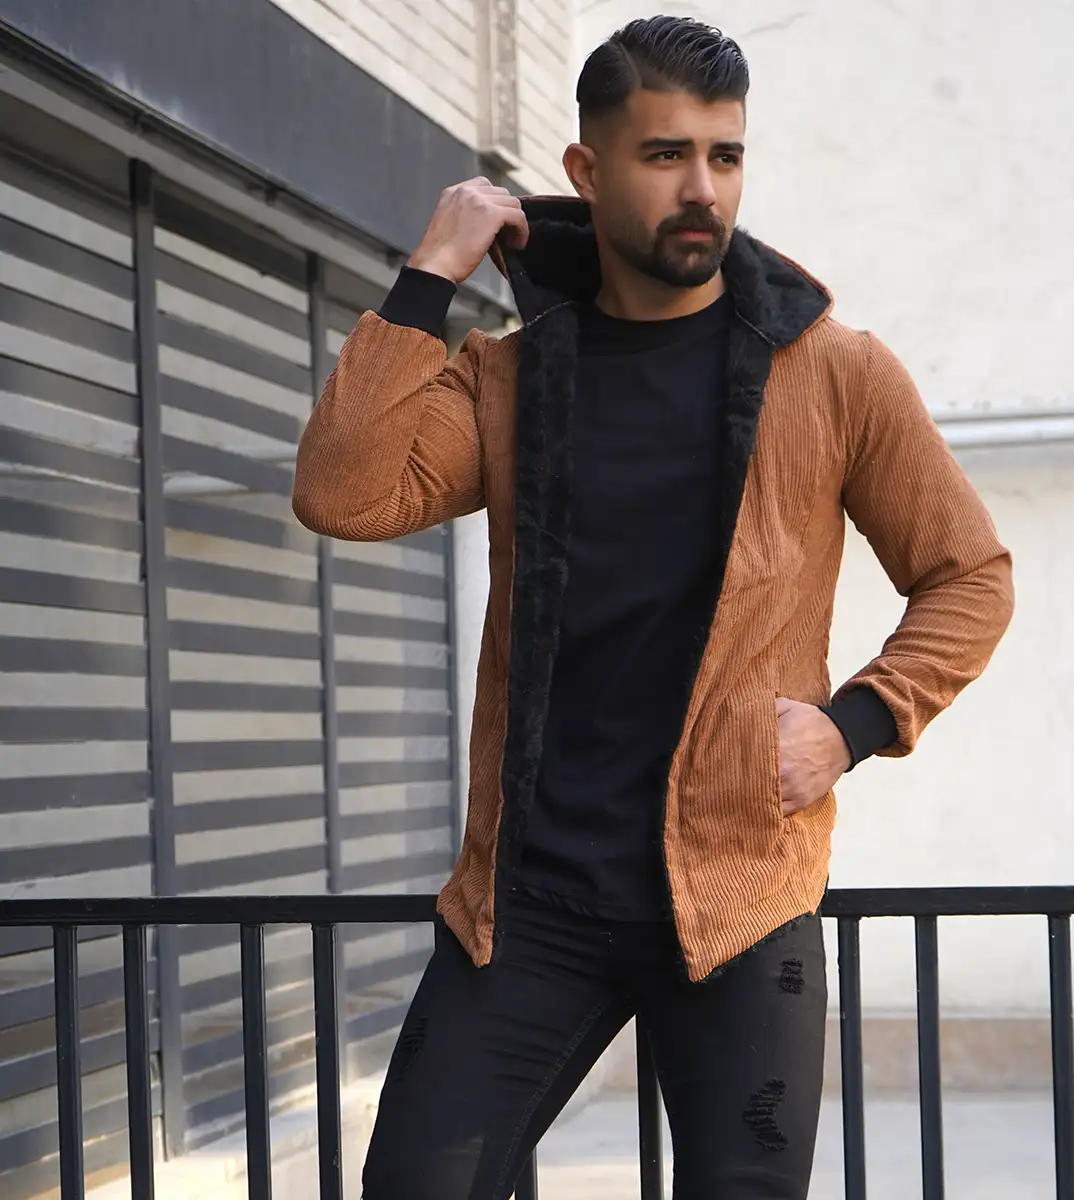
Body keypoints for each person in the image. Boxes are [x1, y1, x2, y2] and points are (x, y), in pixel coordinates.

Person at [293, 14, 1014, 1199]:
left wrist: (853, 726)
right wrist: (429, 278)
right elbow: (343, 492)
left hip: (738, 897)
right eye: (666, 154)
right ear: (587, 170)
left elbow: (969, 574)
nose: (702, 189)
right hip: (530, 907)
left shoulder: (833, 372)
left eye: (725, 157)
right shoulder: (513, 376)